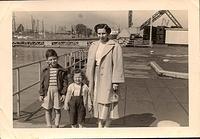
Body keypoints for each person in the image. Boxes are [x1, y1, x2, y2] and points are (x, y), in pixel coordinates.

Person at [86, 23, 125, 128]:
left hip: (108, 75)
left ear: (108, 33)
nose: (101, 36)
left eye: (103, 33)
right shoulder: (94, 45)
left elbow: (118, 64)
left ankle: (107, 124)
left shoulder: (115, 46)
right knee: (96, 98)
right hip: (95, 75)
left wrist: (115, 81)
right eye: (99, 33)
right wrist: (87, 78)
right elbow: (89, 63)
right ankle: (99, 122)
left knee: (107, 100)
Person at [39, 49, 68, 128]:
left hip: (57, 92)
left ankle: (56, 125)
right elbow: (41, 83)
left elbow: (65, 83)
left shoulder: (62, 70)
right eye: (50, 60)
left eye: (54, 59)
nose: (53, 61)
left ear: (57, 58)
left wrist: (63, 94)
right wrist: (41, 94)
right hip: (48, 92)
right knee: (48, 109)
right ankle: (49, 125)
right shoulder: (45, 71)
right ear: (47, 61)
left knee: (57, 109)